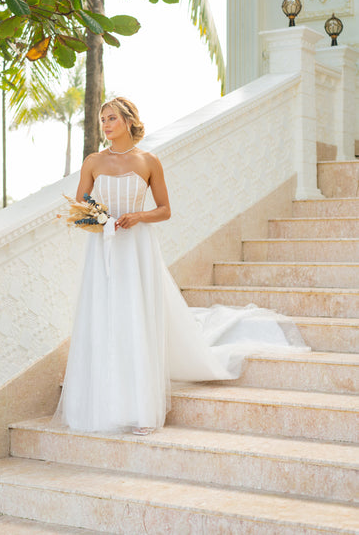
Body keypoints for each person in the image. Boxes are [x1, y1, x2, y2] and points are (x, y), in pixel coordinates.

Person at [53, 97, 309, 435]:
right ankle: (98, 405)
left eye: (112, 118)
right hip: (103, 248)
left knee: (136, 316)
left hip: (137, 246)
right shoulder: (93, 161)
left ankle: (140, 410)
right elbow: (79, 206)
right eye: (103, 120)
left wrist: (137, 217)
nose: (106, 125)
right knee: (103, 315)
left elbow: (164, 209)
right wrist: (99, 219)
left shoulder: (148, 161)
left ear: (129, 121)